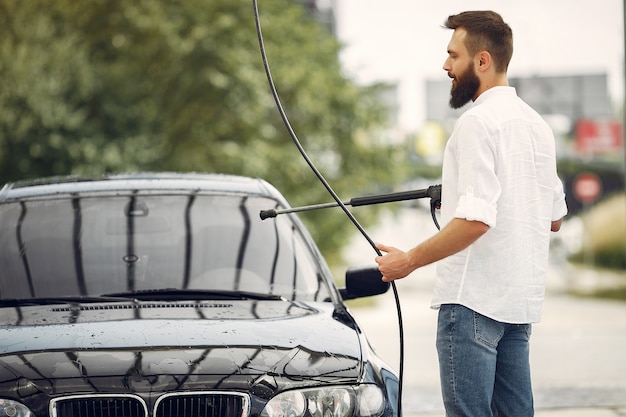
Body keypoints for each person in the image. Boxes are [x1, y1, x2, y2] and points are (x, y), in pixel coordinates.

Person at [374, 10, 568, 417]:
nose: (446, 66)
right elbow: (552, 218)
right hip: (517, 310)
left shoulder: (477, 123)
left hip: (472, 305)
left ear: (482, 61)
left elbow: (477, 220)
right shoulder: (538, 127)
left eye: (453, 56)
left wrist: (406, 261)